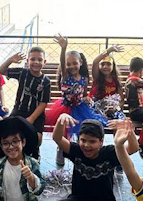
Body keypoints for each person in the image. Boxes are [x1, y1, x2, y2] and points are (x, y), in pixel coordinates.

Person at [49, 116, 136, 201]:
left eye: (92, 141)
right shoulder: (76, 151)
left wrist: (129, 132)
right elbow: (58, 138)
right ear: (79, 139)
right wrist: (60, 120)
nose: (87, 145)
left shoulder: (110, 153)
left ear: (101, 142)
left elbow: (133, 148)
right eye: (83, 140)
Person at [44, 35, 108, 165]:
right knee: (64, 131)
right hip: (65, 108)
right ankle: (61, 149)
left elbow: (83, 94)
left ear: (81, 63)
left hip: (80, 108)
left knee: (82, 130)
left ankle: (83, 152)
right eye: (69, 64)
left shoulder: (84, 79)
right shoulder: (65, 76)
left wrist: (86, 98)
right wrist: (63, 48)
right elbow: (62, 62)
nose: (71, 66)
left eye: (75, 63)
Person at [0, 46, 51, 151]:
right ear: (27, 61)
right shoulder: (22, 73)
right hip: (19, 111)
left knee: (37, 139)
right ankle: (13, 153)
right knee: (8, 132)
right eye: (33, 59)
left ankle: (33, 153)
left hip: (36, 114)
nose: (36, 62)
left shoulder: (46, 81)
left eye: (39, 60)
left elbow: (43, 103)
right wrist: (10, 60)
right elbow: (1, 70)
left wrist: (32, 118)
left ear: (44, 62)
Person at [90, 45, 126, 121]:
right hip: (95, 109)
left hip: (111, 110)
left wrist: (116, 108)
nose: (105, 67)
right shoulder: (96, 77)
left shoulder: (116, 81)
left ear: (113, 66)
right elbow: (95, 62)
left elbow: (122, 100)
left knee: (120, 121)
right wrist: (109, 50)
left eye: (108, 64)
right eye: (102, 64)